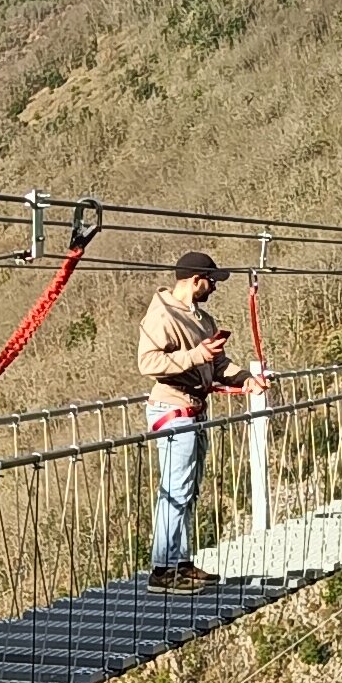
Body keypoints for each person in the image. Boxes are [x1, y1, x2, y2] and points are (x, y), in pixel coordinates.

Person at [135, 251, 252, 590]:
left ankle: (179, 562)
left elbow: (217, 367)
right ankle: (162, 570)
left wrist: (244, 378)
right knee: (174, 490)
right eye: (211, 281)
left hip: (194, 410)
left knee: (187, 490)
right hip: (173, 412)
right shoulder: (161, 316)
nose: (214, 287)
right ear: (196, 279)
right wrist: (197, 355)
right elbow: (148, 363)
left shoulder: (203, 319)